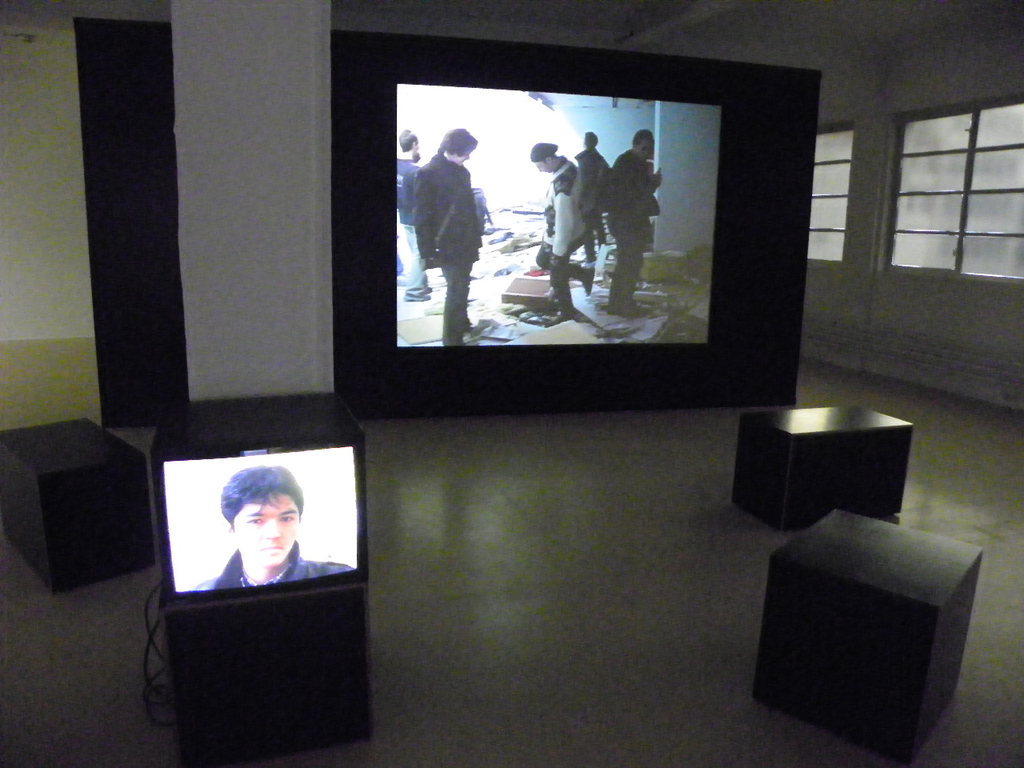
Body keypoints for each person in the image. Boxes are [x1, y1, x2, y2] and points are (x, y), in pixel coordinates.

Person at [193, 465, 353, 590]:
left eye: (286, 519)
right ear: (230, 529)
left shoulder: (341, 580)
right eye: (256, 521)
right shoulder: (202, 592)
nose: (274, 533)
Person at [414, 128, 482, 346]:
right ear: (451, 150)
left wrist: (477, 238)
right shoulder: (428, 173)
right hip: (446, 243)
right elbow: (422, 216)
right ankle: (452, 340)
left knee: (463, 285)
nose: (468, 157)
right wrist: (426, 251)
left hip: (466, 240)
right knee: (456, 289)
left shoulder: (463, 172)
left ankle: (462, 323)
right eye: (465, 153)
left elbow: (469, 209)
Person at [531, 142, 594, 322]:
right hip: (557, 232)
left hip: (566, 235)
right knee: (542, 261)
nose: (539, 170)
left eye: (540, 166)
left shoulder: (563, 189)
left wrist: (559, 253)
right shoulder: (568, 167)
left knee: (557, 274)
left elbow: (565, 224)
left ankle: (566, 314)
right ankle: (583, 273)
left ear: (549, 160)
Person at [604, 129, 662, 317]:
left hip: (627, 220)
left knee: (628, 263)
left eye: (650, 149)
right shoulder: (628, 163)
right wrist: (653, 183)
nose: (647, 152)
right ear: (635, 145)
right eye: (644, 148)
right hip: (626, 221)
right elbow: (634, 195)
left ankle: (617, 304)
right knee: (629, 264)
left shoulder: (632, 162)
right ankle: (624, 305)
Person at [397, 129, 431, 302]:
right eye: (418, 145)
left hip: (404, 217)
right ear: (414, 144)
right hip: (416, 218)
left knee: (415, 252)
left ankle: (422, 285)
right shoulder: (415, 171)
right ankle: (414, 291)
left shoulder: (397, 167)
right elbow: (423, 199)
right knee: (420, 254)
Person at [574, 131, 610, 265]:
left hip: (588, 200)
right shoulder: (599, 159)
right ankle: (601, 257)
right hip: (596, 199)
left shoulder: (584, 159)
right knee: (599, 230)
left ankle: (592, 258)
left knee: (588, 231)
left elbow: (582, 182)